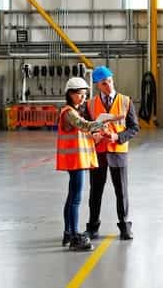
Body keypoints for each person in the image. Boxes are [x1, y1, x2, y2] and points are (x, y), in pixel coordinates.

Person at [56, 77, 123, 251]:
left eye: (85, 95)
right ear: (70, 94)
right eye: (80, 94)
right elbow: (84, 126)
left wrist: (95, 136)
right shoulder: (69, 112)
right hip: (75, 161)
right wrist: (107, 120)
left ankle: (68, 233)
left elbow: (82, 133)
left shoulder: (74, 111)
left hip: (77, 160)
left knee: (72, 198)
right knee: (75, 199)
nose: (83, 98)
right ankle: (75, 236)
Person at [85, 66, 140, 241]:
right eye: (103, 83)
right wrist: (94, 134)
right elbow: (86, 127)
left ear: (112, 79)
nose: (108, 85)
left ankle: (124, 226)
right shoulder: (90, 104)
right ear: (97, 85)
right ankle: (93, 227)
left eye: (109, 81)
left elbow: (134, 128)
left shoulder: (125, 101)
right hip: (99, 151)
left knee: (121, 191)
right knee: (95, 191)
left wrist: (117, 136)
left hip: (118, 151)